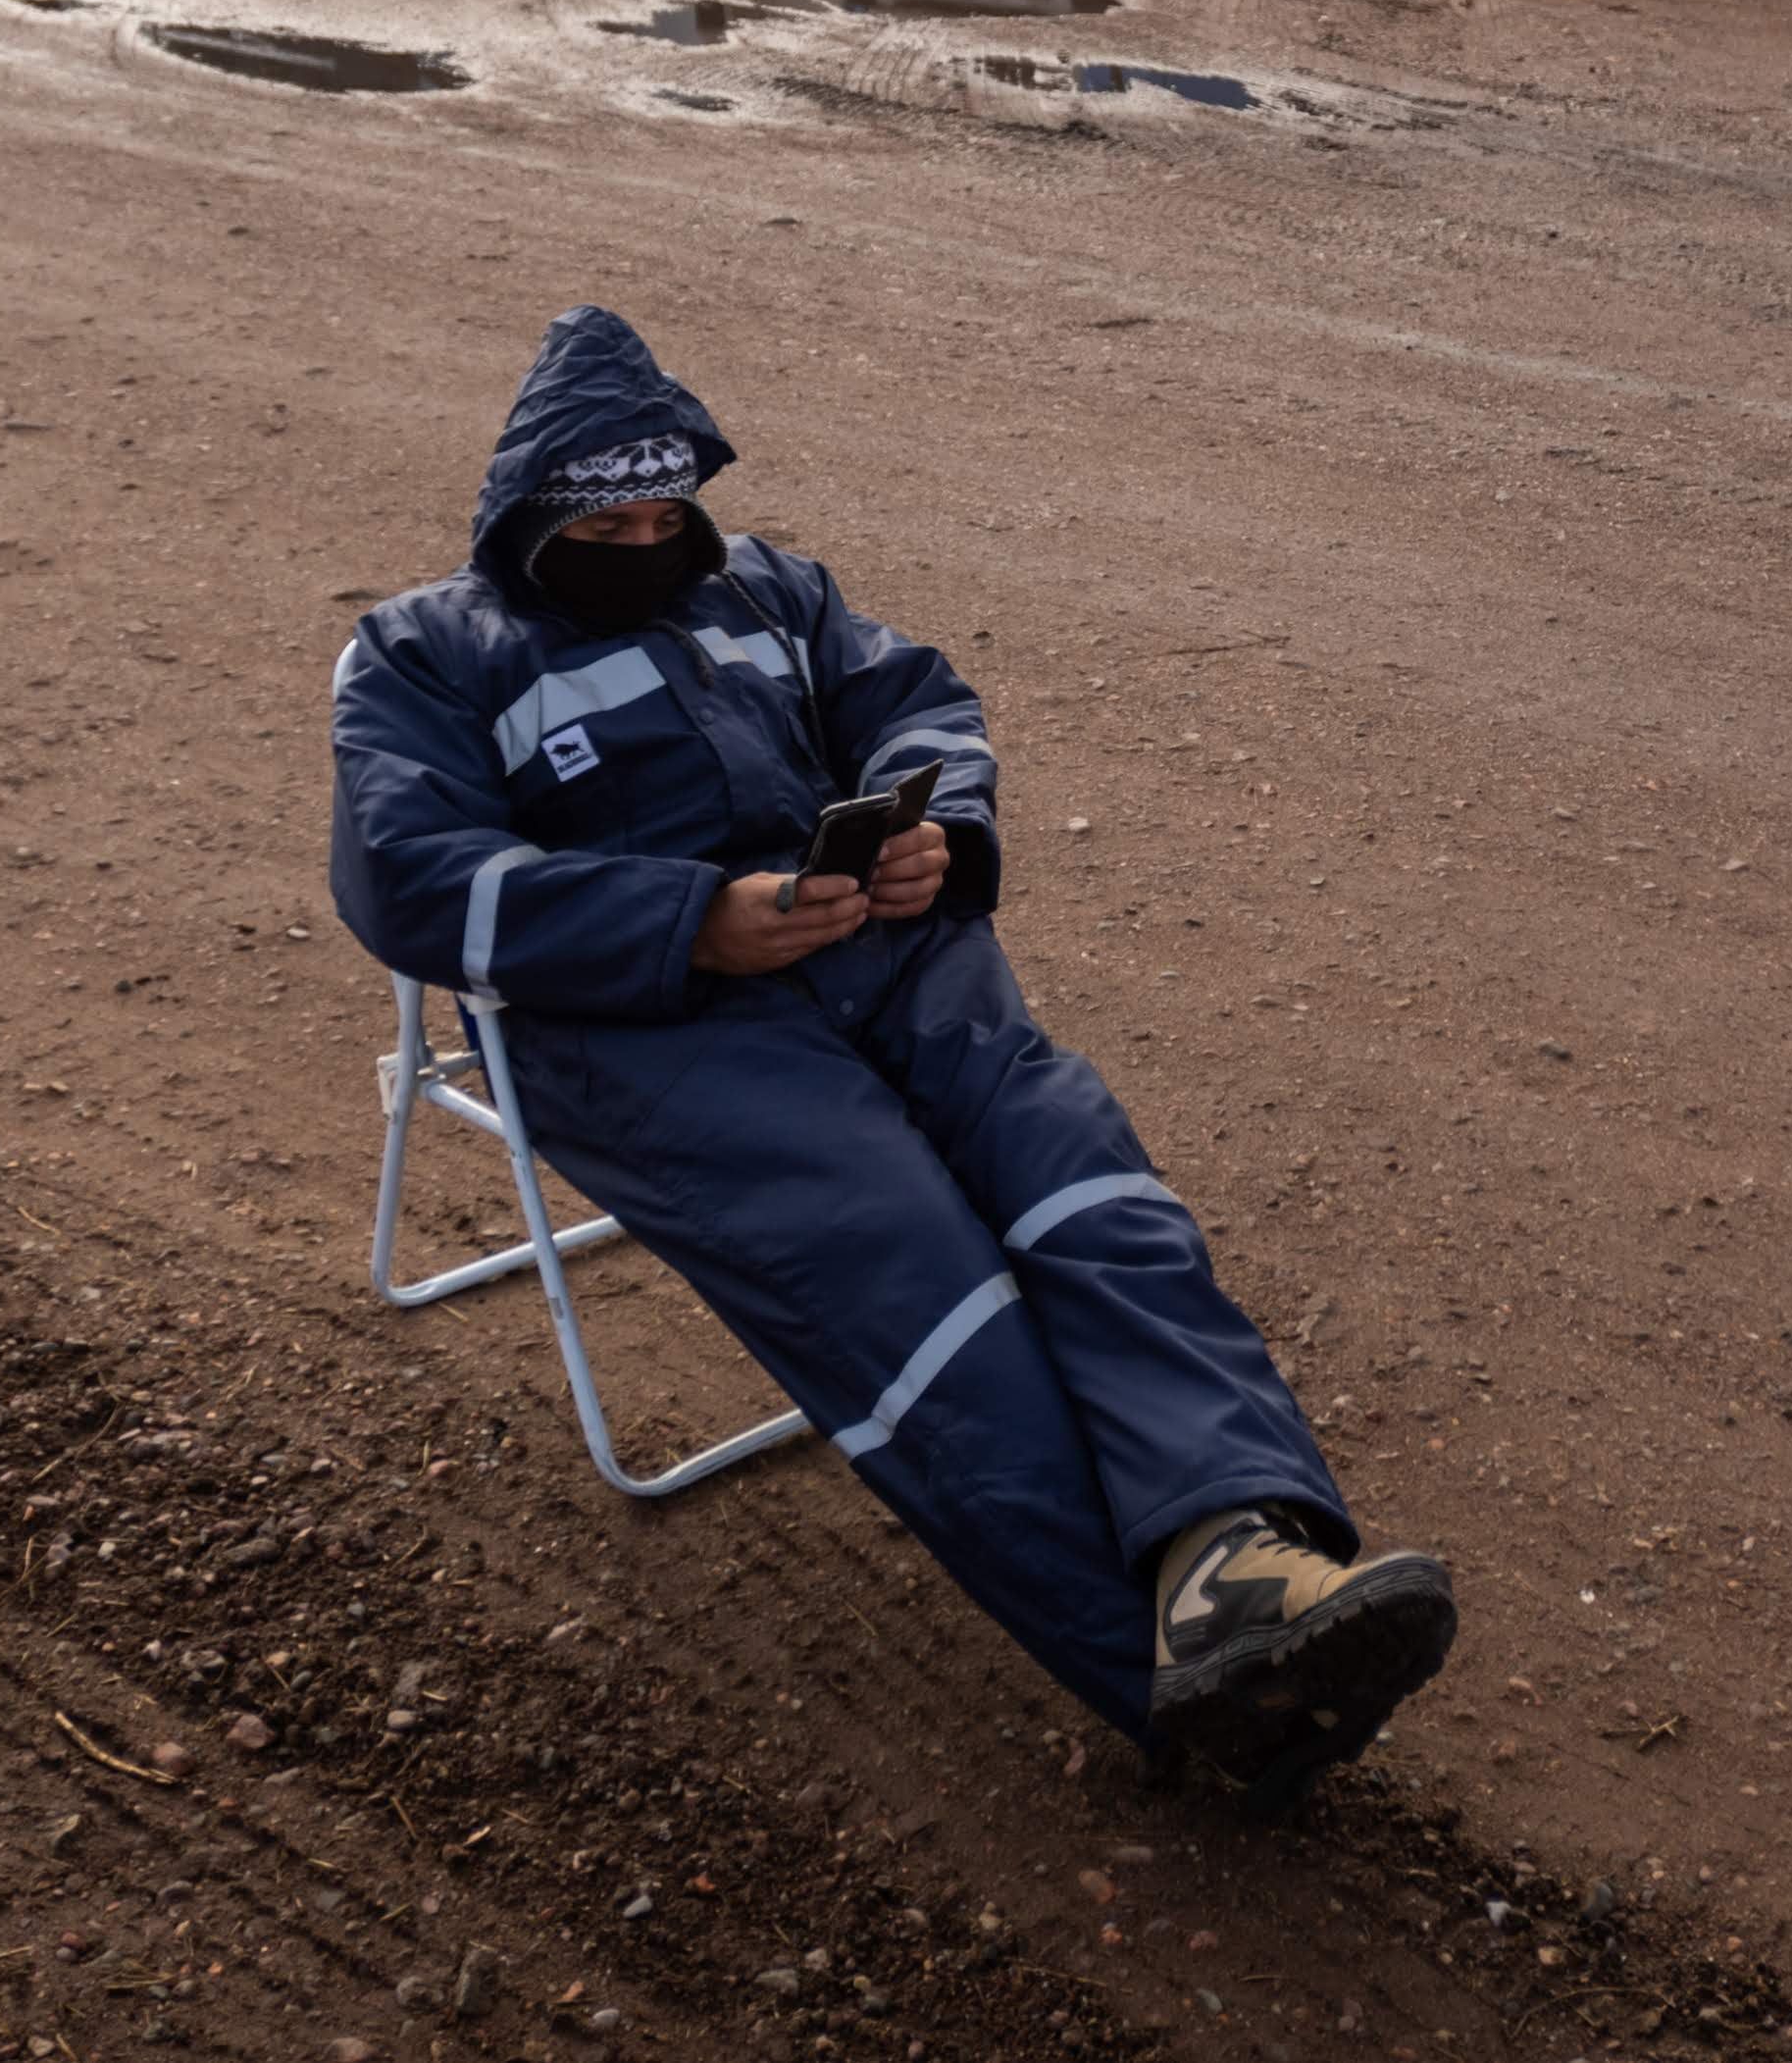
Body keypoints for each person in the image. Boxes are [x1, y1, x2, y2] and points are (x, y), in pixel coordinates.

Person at [330, 308, 1456, 1796]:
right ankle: (1175, 1675)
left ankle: (1234, 1546)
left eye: (665, 512)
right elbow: (405, 880)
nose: (646, 539)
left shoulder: (773, 587)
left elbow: (918, 701)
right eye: (606, 520)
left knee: (1081, 1186)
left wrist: (938, 832)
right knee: (906, 1255)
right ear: (531, 508)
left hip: (883, 952)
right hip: (642, 1020)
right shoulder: (422, 652)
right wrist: (690, 922)